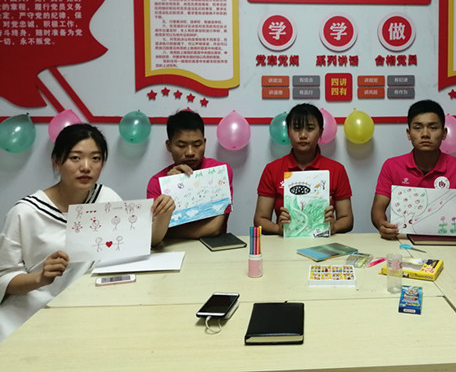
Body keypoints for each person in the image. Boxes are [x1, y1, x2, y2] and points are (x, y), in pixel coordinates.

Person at [0, 123, 174, 342]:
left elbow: (145, 243)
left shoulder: (106, 199)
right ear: (56, 161)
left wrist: (163, 215)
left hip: (89, 313)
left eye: (95, 158)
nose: (86, 167)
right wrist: (40, 278)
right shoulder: (25, 213)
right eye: (75, 158)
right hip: (30, 318)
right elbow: (4, 278)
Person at [371, 99, 456, 239]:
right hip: (402, 241)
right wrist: (382, 225)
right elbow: (378, 209)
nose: (425, 134)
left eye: (433, 127)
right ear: (408, 133)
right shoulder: (392, 166)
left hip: (447, 243)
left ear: (444, 133)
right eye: (418, 128)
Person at [254, 103, 353, 236]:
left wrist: (334, 226)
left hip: (325, 241)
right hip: (285, 243)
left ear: (321, 132)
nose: (303, 135)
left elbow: (347, 219)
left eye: (310, 128)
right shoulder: (272, 169)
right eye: (296, 128)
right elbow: (260, 219)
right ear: (288, 132)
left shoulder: (336, 170)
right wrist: (278, 229)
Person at [147, 110, 234, 239]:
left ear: (204, 143)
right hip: (172, 249)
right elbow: (154, 235)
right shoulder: (157, 183)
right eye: (181, 145)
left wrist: (168, 232)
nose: (190, 152)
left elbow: (214, 228)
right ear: (169, 146)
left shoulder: (220, 173)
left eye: (197, 145)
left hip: (212, 247)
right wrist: (172, 188)